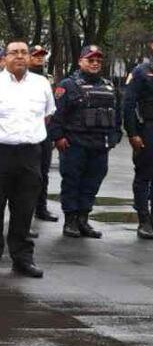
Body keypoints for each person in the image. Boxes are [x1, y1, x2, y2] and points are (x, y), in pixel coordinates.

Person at [0, 40, 55, 278]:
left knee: (25, 208)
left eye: (24, 52)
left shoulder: (41, 84)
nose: (19, 56)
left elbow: (47, 116)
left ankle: (23, 258)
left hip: (30, 154)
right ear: (4, 58)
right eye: (14, 53)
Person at [48, 44, 122, 239]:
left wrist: (115, 137)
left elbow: (117, 115)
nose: (95, 63)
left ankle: (83, 219)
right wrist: (58, 137)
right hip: (75, 144)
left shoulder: (109, 86)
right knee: (72, 183)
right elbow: (56, 115)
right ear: (80, 61)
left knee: (92, 183)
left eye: (98, 60)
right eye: (90, 60)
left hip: (99, 145)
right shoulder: (68, 85)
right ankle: (70, 221)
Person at [125, 34, 153, 239]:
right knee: (144, 175)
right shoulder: (141, 72)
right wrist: (132, 133)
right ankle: (144, 220)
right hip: (148, 129)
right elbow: (128, 104)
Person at [27, 45, 59, 222]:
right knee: (26, 174)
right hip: (27, 131)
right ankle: (25, 211)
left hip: (44, 130)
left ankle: (41, 207)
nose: (40, 58)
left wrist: (53, 133)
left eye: (42, 55)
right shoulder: (23, 77)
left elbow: (52, 108)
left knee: (43, 172)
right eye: (36, 55)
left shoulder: (48, 78)